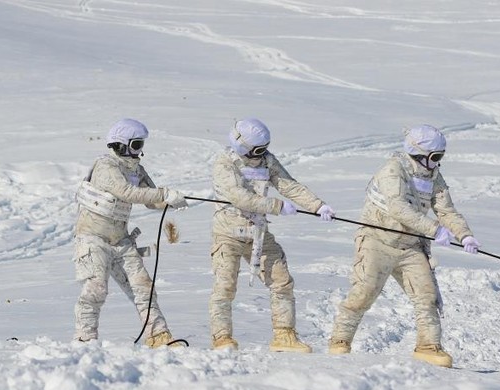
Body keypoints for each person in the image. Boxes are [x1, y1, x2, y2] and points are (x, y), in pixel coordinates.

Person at [328, 124, 480, 367]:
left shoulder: (433, 176)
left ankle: (428, 346)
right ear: (419, 153)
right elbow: (399, 209)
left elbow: (445, 209)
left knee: (426, 296)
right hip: (377, 242)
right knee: (363, 294)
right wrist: (434, 230)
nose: (438, 163)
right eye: (435, 157)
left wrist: (464, 235)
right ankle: (339, 341)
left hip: (410, 246)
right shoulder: (393, 170)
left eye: (441, 157)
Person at [209, 118, 335, 352]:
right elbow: (239, 197)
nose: (261, 154)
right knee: (225, 286)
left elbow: (289, 185)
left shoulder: (266, 161)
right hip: (228, 234)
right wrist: (276, 206)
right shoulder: (225, 163)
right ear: (242, 145)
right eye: (257, 150)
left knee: (282, 282)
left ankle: (284, 336)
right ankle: (222, 338)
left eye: (264, 149)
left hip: (259, 233)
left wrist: (317, 206)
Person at [72, 118, 188, 346]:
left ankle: (158, 336)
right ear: (121, 144)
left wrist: (170, 202)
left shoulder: (136, 169)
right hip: (93, 239)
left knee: (143, 287)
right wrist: (163, 194)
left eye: (141, 145)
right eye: (136, 145)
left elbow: (149, 199)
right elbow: (126, 192)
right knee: (96, 289)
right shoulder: (107, 166)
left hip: (120, 241)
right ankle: (84, 338)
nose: (139, 151)